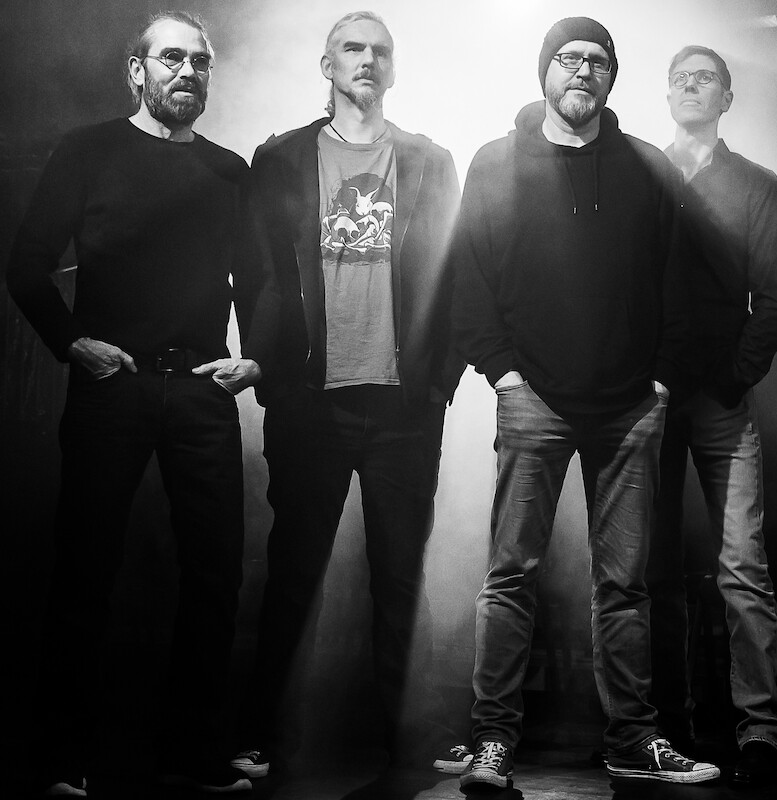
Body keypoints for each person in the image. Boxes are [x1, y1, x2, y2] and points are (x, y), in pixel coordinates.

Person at [451, 16, 722, 791]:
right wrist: (502, 373)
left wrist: (662, 378)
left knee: (625, 585)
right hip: (533, 398)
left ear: (612, 77)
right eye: (568, 58)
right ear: (544, 71)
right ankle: (492, 742)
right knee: (511, 575)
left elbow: (679, 280)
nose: (583, 70)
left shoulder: (645, 167)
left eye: (598, 61)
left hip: (630, 406)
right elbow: (467, 276)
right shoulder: (496, 162)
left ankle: (632, 740)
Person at [6, 11, 263, 796]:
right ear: (136, 70)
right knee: (84, 570)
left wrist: (254, 357)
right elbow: (26, 265)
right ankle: (60, 758)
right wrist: (72, 343)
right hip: (111, 387)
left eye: (201, 62)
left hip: (200, 391)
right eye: (172, 58)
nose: (188, 72)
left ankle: (195, 750)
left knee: (215, 574)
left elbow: (257, 281)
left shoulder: (229, 170)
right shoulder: (88, 151)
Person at [232, 10, 469, 779]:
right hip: (311, 401)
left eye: (380, 51)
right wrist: (270, 369)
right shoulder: (280, 158)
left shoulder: (430, 161)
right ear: (327, 65)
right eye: (352, 48)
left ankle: (410, 737)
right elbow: (258, 271)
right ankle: (262, 734)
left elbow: (457, 273)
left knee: (401, 575)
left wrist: (439, 381)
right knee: (293, 569)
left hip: (404, 404)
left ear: (393, 69)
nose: (367, 60)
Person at [647, 45, 777, 787]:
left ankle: (759, 727)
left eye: (704, 78)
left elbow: (772, 299)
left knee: (742, 566)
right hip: (649, 399)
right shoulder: (643, 173)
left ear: (727, 97)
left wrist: (734, 380)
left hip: (720, 404)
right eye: (679, 78)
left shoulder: (757, 185)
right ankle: (665, 724)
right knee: (652, 567)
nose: (690, 87)